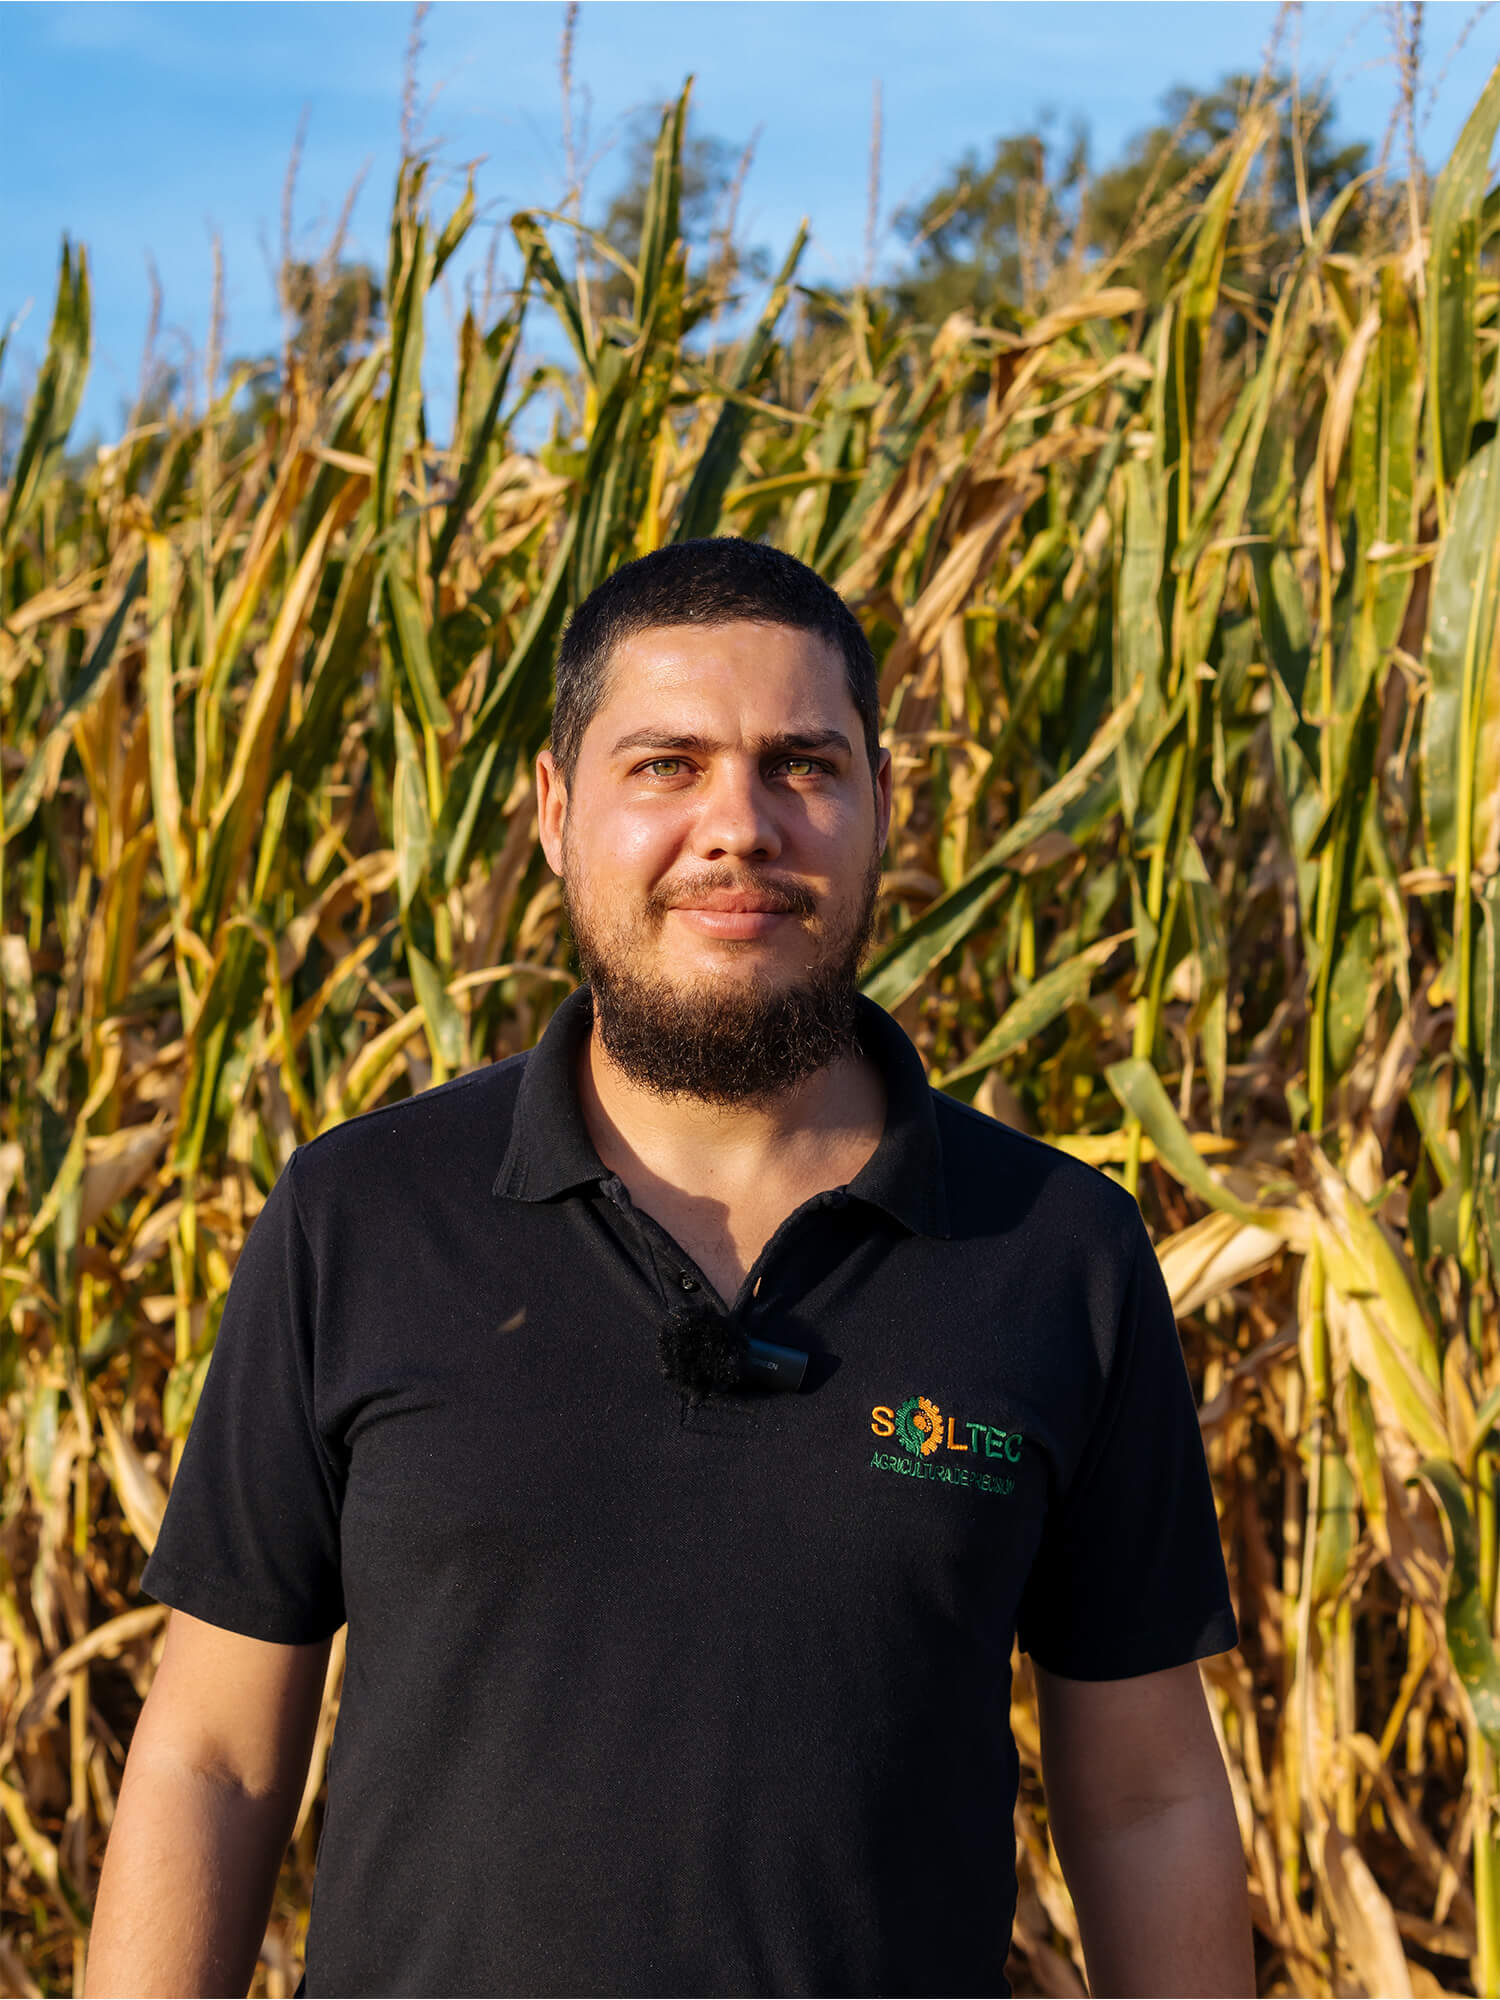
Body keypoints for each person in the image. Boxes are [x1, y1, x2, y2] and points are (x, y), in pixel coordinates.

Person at [87, 537, 1253, 1999]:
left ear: (882, 804)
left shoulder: (1053, 1256)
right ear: (558, 811)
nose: (739, 825)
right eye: (667, 766)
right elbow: (212, 1759)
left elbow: (1148, 1799)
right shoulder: (363, 1219)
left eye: (803, 765)